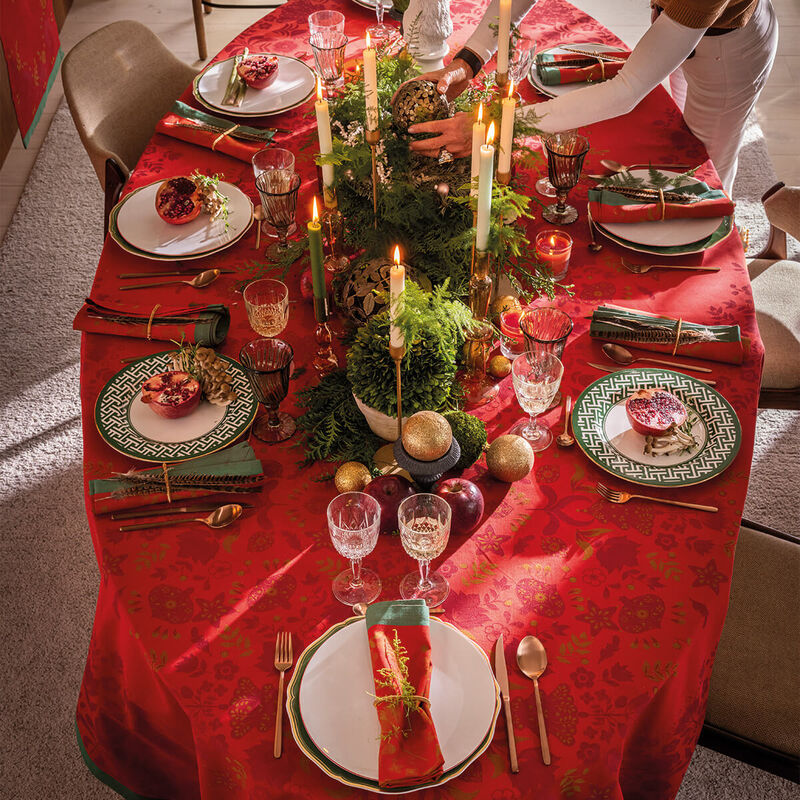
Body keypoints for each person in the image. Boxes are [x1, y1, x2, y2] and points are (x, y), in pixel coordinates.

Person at [404, 0, 778, 194]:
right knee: (675, 142)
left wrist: (496, 126)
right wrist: (470, 60)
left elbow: (626, 91)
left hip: (728, 52)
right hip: (674, 22)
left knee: (705, 175)